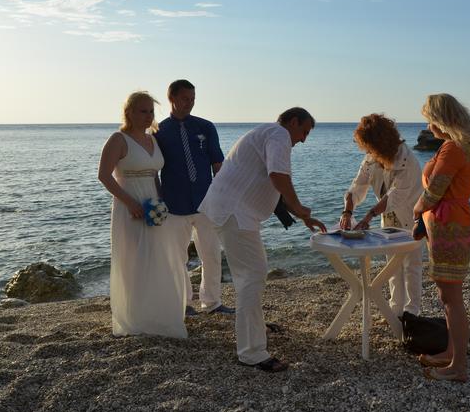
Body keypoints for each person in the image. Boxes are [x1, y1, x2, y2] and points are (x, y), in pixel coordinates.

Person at [198, 107, 327, 372]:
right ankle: (252, 352)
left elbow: (274, 184)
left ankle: (254, 330)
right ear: (293, 122)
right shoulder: (279, 134)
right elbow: (278, 176)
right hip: (235, 212)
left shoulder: (267, 132)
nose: (304, 139)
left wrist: (302, 215)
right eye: (304, 132)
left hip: (230, 210)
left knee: (249, 277)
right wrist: (298, 206)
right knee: (253, 276)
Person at [98, 91, 187, 338]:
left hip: (153, 206)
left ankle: (158, 315)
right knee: (135, 260)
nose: (148, 116)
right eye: (143, 111)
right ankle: (136, 319)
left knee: (157, 258)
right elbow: (104, 176)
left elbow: (155, 175)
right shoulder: (118, 139)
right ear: (129, 112)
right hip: (129, 207)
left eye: (151, 111)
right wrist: (130, 203)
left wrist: (161, 204)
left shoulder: (152, 139)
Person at [412, 93, 470, 383]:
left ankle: (458, 367)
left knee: (451, 298)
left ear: (440, 119)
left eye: (429, 120)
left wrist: (416, 209)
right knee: (449, 295)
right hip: (452, 223)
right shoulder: (465, 145)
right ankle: (451, 352)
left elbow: (435, 191)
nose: (427, 126)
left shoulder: (454, 148)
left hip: (448, 225)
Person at [154, 79, 233, 316]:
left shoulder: (205, 127)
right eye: (185, 99)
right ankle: (184, 303)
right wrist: (156, 199)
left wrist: (222, 196)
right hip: (173, 204)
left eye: (192, 99)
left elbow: (217, 163)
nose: (189, 103)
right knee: (178, 258)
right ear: (172, 98)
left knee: (211, 254)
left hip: (206, 202)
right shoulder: (158, 131)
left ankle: (212, 302)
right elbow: (153, 169)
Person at [339, 113, 423, 317]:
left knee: (411, 267)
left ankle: (412, 314)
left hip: (412, 218)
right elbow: (357, 186)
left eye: (369, 146)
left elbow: (395, 196)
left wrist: (368, 217)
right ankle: (396, 311)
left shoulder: (407, 160)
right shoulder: (371, 158)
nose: (367, 151)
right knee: (392, 267)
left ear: (380, 142)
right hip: (389, 219)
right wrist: (347, 211)